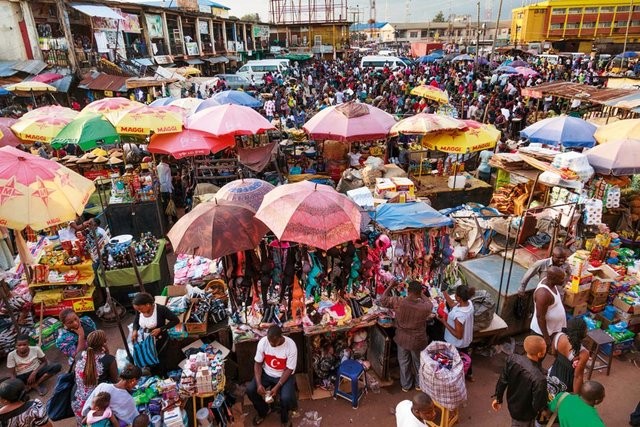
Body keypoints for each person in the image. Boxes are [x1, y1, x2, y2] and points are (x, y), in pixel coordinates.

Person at [378, 281, 433, 392]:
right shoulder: (424, 307)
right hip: (417, 340)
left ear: (408, 291)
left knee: (403, 362)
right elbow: (430, 303)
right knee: (418, 362)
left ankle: (406, 385)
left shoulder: (399, 302)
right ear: (420, 292)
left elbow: (383, 300)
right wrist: (421, 294)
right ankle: (419, 384)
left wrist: (390, 285)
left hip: (402, 338)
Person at [246, 325, 297, 427]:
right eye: (270, 342)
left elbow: (289, 369)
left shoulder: (291, 345)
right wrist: (259, 383)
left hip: (284, 375)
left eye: (274, 342)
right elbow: (258, 363)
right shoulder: (263, 342)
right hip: (267, 373)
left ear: (280, 337)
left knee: (286, 398)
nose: (272, 344)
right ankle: (264, 410)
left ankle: (284, 419)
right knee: (251, 390)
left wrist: (277, 386)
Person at [492, 335, 548, 427]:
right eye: (545, 348)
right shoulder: (539, 379)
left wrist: (498, 398)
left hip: (513, 404)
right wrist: (543, 410)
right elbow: (538, 404)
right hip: (524, 414)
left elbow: (503, 380)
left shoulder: (512, 359)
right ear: (540, 354)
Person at [72, 330, 118, 424]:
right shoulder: (109, 360)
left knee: (83, 423)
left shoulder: (79, 355)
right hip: (96, 402)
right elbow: (114, 381)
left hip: (77, 399)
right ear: (104, 342)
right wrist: (107, 353)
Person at [131, 292, 180, 372]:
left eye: (140, 308)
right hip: (146, 341)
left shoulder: (161, 309)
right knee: (150, 359)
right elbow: (136, 321)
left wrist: (161, 329)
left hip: (160, 340)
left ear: (148, 305)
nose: (139, 311)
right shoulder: (139, 311)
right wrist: (134, 330)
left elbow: (175, 320)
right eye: (137, 309)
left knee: (161, 360)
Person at [438, 285, 475, 379]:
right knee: (466, 356)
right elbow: (452, 305)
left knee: (453, 363)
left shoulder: (459, 315)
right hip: (466, 341)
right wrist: (444, 292)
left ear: (458, 298)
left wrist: (444, 322)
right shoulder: (469, 303)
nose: (454, 296)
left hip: (456, 343)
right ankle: (469, 374)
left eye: (455, 295)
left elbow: (458, 335)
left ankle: (453, 379)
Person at [547, 317, 589, 398]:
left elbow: (554, 353)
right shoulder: (583, 353)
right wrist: (577, 398)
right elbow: (577, 376)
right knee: (561, 403)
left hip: (554, 372)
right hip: (567, 381)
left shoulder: (558, 336)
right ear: (583, 333)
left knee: (550, 397)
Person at [531, 266, 567, 349]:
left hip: (552, 329)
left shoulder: (551, 283)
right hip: (541, 333)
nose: (564, 281)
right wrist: (546, 338)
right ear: (553, 278)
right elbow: (540, 317)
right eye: (561, 279)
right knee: (539, 354)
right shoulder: (543, 294)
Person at [156, 156, 175, 223]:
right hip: (167, 188)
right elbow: (168, 180)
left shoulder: (157, 167)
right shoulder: (167, 168)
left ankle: (166, 220)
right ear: (165, 160)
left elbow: (158, 177)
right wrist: (170, 191)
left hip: (161, 188)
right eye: (167, 160)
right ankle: (171, 219)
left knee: (164, 205)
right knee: (170, 204)